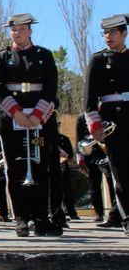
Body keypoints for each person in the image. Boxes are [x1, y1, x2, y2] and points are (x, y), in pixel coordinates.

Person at [0, 13, 62, 237]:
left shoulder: (44, 55)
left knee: (40, 167)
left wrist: (38, 114)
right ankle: (21, 218)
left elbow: (51, 87)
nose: (17, 33)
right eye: (13, 29)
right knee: (15, 168)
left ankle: (41, 218)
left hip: (39, 118)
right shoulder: (2, 56)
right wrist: (16, 113)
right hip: (12, 119)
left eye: (21, 29)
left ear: (30, 30)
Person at [84, 14, 129, 236]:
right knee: (120, 172)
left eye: (112, 32)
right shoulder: (99, 60)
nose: (108, 37)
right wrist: (95, 126)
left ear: (124, 34)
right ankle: (127, 218)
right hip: (114, 121)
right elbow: (89, 99)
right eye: (105, 33)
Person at [75, 113, 120, 226]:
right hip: (91, 152)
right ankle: (99, 213)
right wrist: (80, 157)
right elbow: (78, 138)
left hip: (106, 151)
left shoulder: (106, 112)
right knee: (94, 184)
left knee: (113, 183)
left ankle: (116, 212)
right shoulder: (81, 118)